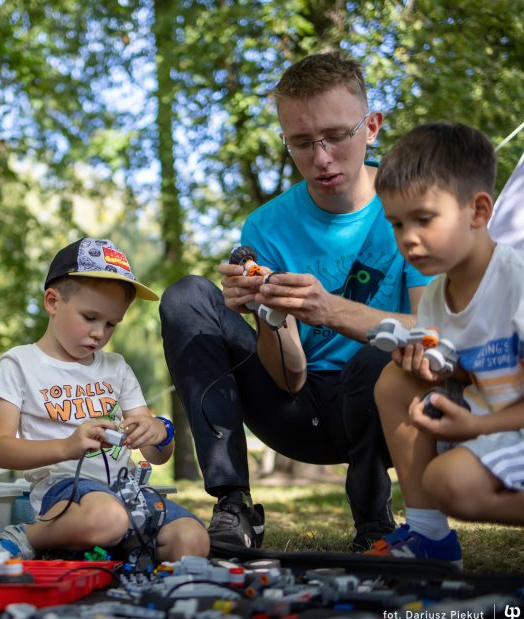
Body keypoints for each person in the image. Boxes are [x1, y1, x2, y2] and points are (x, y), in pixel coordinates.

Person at [160, 52, 432, 552]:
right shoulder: (266, 225)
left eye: (335, 136)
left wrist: (328, 309)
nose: (322, 158)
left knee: (382, 346)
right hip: (295, 408)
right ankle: (234, 506)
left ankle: (376, 521)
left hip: (385, 406)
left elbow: (436, 334)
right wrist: (269, 315)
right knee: (186, 298)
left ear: (371, 127)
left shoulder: (413, 205)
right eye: (302, 143)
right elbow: (290, 377)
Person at [365, 123, 524, 573]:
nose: (407, 239)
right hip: (506, 423)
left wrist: (476, 426)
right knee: (396, 380)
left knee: (451, 482)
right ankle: (429, 537)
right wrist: (435, 371)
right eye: (397, 223)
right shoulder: (436, 294)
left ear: (478, 211)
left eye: (424, 219)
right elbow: (464, 363)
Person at [0, 238, 210, 563]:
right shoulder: (19, 364)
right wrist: (67, 446)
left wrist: (160, 432)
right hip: (67, 490)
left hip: (127, 488)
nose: (99, 334)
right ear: (52, 301)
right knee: (108, 518)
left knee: (193, 540)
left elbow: (156, 456)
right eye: (90, 317)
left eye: (111, 324)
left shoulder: (116, 368)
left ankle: (119, 555)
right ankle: (26, 537)